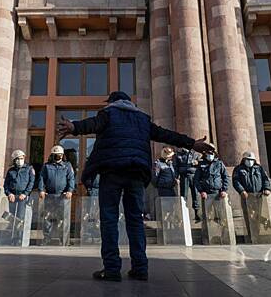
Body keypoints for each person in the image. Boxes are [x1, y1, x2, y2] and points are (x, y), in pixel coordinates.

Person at [57, 91, 214, 282]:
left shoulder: (108, 113)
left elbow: (92, 125)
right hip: (136, 173)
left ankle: (112, 269)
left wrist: (74, 126)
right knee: (135, 220)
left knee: (109, 219)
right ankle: (140, 268)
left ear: (112, 102)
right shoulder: (142, 118)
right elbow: (165, 134)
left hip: (113, 171)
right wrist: (192, 144)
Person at [4, 149, 35, 220]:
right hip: (13, 197)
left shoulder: (29, 169)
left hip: (23, 197)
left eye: (21, 158)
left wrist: (25, 194)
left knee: (20, 217)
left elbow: (31, 182)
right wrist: (9, 193)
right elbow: (6, 184)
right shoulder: (11, 170)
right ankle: (13, 231)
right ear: (14, 160)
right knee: (12, 218)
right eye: (18, 158)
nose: (20, 160)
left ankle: (20, 232)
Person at [174, 147, 201, 221]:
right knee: (184, 195)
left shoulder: (196, 154)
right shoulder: (178, 154)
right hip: (184, 176)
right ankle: (183, 213)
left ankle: (197, 213)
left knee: (195, 194)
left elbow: (201, 164)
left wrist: (197, 162)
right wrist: (176, 177)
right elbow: (176, 167)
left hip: (194, 176)